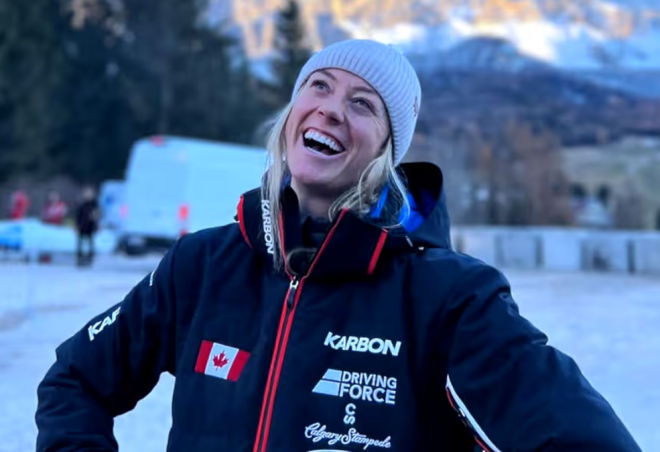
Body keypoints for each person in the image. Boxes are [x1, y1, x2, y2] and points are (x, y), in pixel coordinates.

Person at [35, 39, 641, 452]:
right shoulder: (201, 266)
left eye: (362, 104)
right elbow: (74, 380)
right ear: (292, 112)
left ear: (386, 149)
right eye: (318, 86)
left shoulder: (449, 298)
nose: (329, 110)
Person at [74, 186, 99, 266]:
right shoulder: (81, 203)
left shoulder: (94, 204)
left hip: (90, 226)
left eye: (89, 193)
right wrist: (77, 225)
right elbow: (78, 215)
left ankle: (90, 257)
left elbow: (96, 215)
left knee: (90, 243)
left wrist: (96, 223)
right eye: (86, 193)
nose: (87, 195)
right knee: (80, 243)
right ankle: (80, 257)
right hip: (82, 226)